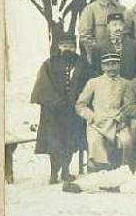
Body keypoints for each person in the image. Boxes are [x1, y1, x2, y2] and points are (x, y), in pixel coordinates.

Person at [62, 104, 136, 194]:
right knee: (107, 176)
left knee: (133, 186)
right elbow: (133, 157)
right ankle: (79, 185)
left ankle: (115, 188)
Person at [30, 33, 91, 183]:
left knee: (70, 142)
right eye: (65, 46)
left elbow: (90, 84)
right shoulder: (49, 64)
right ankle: (53, 173)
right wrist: (56, 102)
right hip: (53, 112)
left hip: (73, 111)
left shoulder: (82, 64)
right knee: (54, 142)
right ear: (59, 47)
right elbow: (43, 86)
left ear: (75, 47)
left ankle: (65, 171)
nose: (68, 49)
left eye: (71, 46)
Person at [75, 53, 131, 171]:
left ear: (119, 65)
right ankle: (100, 167)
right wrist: (92, 116)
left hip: (117, 122)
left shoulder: (126, 83)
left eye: (114, 64)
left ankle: (124, 168)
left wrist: (122, 118)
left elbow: (128, 105)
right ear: (102, 67)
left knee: (127, 140)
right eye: (107, 65)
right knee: (95, 140)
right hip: (97, 123)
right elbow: (80, 105)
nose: (111, 68)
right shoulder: (94, 82)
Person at [77, 0, 126, 66]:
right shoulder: (90, 9)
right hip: (98, 58)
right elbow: (84, 36)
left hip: (120, 56)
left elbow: (127, 31)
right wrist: (99, 49)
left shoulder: (121, 9)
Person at [92, 12, 136, 79]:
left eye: (120, 24)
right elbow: (96, 71)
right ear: (108, 26)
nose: (118, 28)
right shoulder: (99, 47)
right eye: (114, 25)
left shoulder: (134, 45)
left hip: (129, 85)